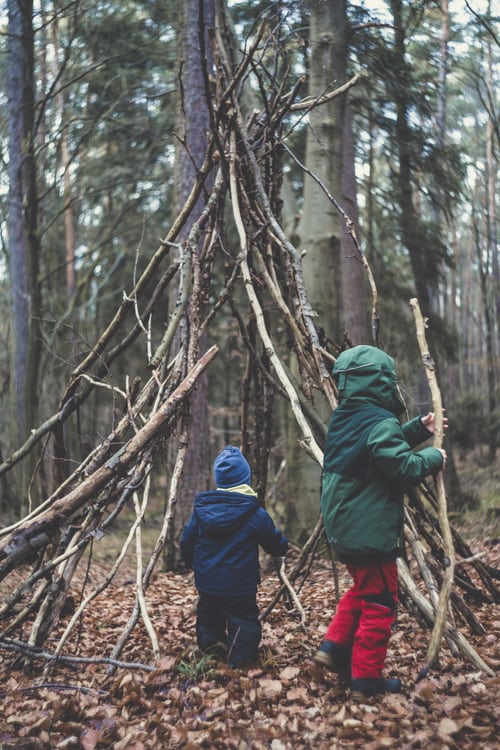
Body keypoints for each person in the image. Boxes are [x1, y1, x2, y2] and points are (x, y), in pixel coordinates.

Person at [313, 345, 447, 698]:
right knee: (381, 602)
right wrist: (434, 456)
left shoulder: (345, 418)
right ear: (381, 382)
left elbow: (379, 447)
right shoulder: (379, 422)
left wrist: (419, 428)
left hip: (344, 529)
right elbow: (402, 467)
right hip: (368, 532)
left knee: (363, 589)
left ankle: (335, 647)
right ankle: (366, 679)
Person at [180, 445, 288, 667]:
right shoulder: (254, 512)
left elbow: (187, 539)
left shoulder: (203, 511)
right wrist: (282, 547)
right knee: (243, 622)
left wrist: (188, 560)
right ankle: (241, 662)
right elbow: (273, 541)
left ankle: (211, 656)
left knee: (209, 619)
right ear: (245, 479)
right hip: (240, 584)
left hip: (208, 581)